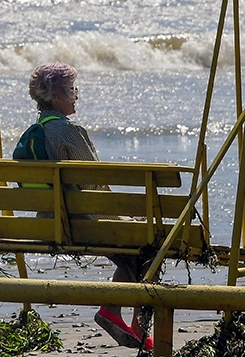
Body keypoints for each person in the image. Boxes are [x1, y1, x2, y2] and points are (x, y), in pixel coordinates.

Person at [26, 62, 154, 352]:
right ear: (57, 96)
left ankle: (119, 314)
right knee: (150, 244)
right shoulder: (70, 132)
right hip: (81, 221)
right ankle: (129, 318)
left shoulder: (35, 132)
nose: (76, 95)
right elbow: (96, 181)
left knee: (132, 252)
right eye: (71, 90)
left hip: (49, 222)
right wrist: (126, 214)